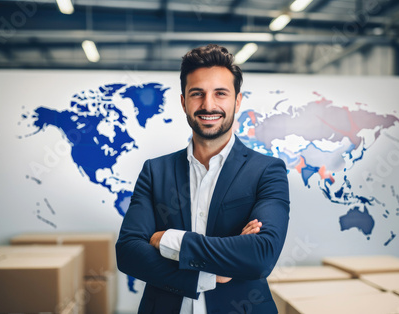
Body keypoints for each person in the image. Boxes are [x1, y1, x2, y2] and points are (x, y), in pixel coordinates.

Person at [116, 44, 290, 314]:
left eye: (220, 93)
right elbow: (128, 252)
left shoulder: (267, 171)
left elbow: (260, 255)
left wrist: (170, 240)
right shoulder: (155, 171)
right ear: (184, 101)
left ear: (238, 101)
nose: (208, 105)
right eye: (197, 94)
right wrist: (206, 275)